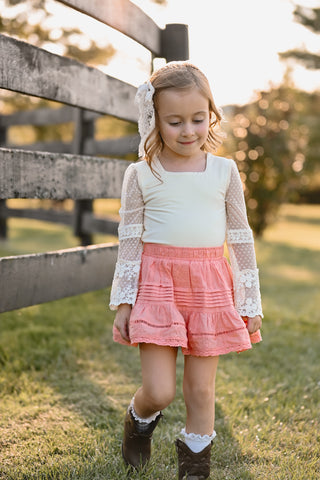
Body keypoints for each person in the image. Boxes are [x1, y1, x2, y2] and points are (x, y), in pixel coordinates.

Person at [109, 61, 263, 479]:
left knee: (200, 389)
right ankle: (138, 421)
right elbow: (130, 241)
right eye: (174, 121)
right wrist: (124, 301)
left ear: (210, 114)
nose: (188, 131)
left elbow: (241, 236)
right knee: (160, 391)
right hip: (157, 286)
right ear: (154, 120)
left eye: (198, 119)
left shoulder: (224, 171)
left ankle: (195, 464)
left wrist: (249, 299)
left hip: (209, 285)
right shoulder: (141, 174)